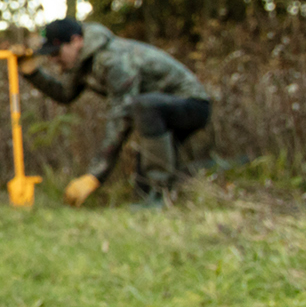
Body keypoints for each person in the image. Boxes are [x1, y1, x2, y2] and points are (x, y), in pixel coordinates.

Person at [19, 18, 211, 207]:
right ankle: (158, 197)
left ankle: (161, 196)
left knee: (143, 107)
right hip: (156, 112)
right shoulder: (82, 62)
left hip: (192, 104)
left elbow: (122, 117)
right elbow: (65, 94)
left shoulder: (113, 59)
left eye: (57, 52)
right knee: (143, 181)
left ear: (77, 41)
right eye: (50, 55)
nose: (53, 60)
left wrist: (94, 176)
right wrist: (32, 73)